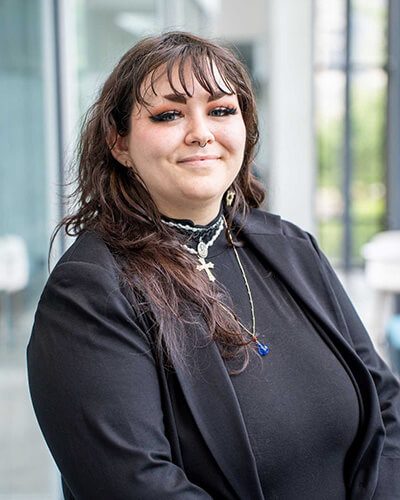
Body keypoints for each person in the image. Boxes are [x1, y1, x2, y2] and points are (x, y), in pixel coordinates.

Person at [27, 31, 400, 500]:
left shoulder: (291, 247)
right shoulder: (90, 291)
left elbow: (387, 409)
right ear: (118, 143)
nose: (201, 132)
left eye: (221, 110)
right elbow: (138, 485)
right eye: (168, 115)